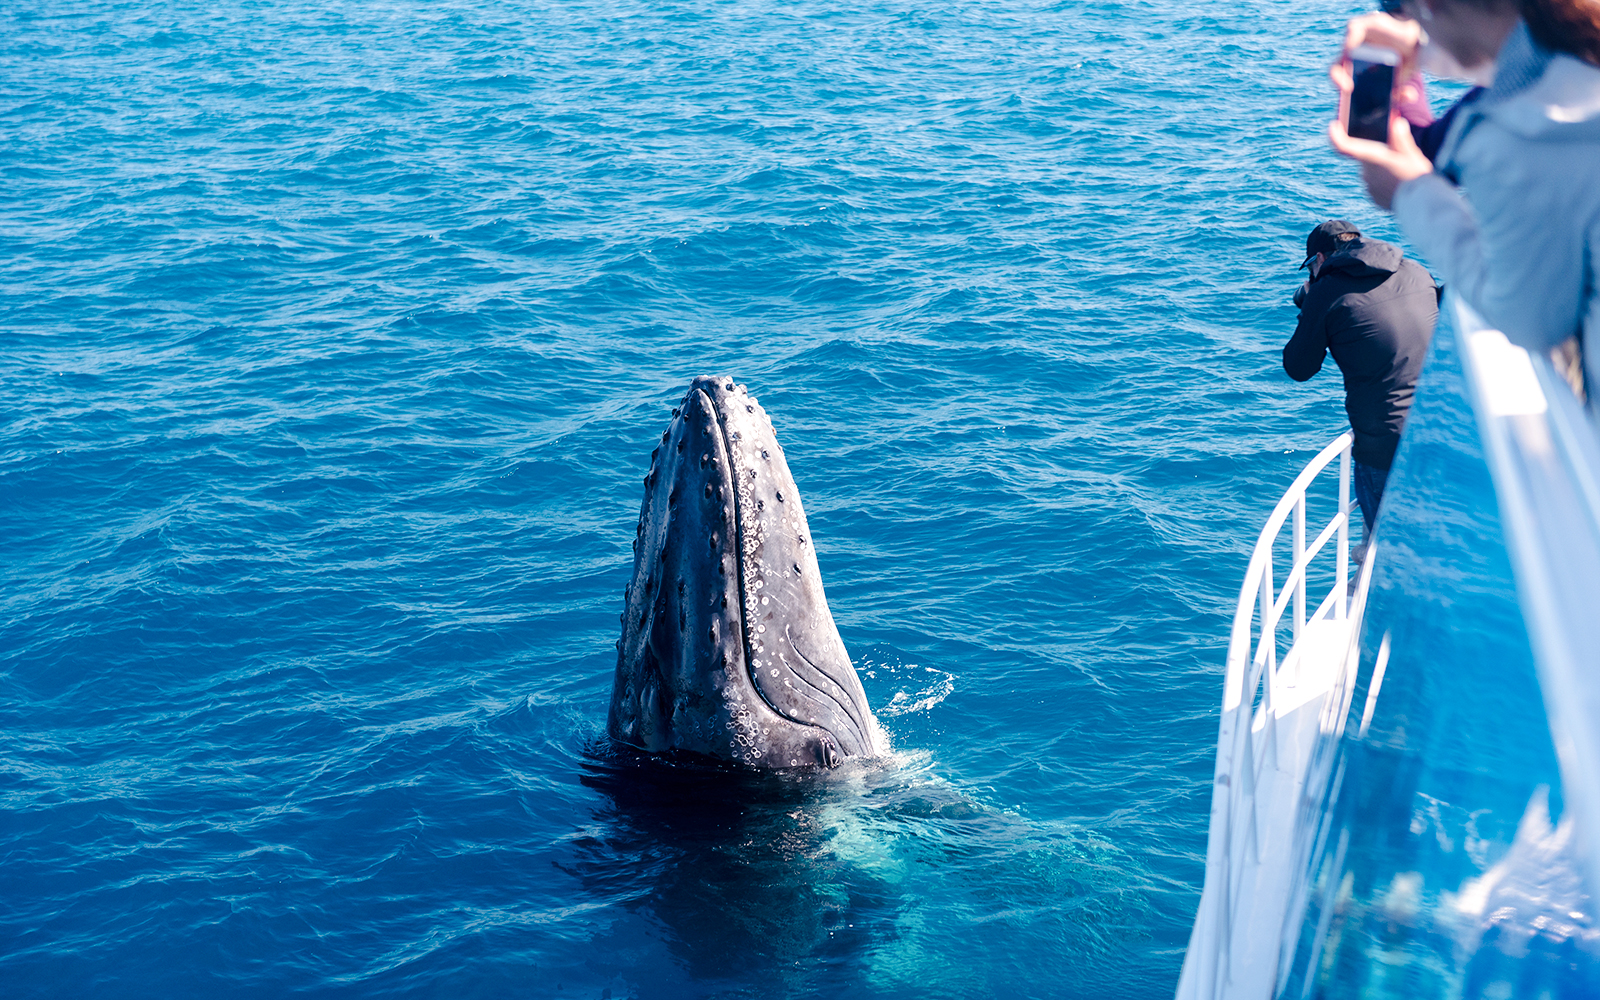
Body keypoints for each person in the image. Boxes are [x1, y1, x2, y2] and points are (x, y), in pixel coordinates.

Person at [1326, 0, 1600, 404]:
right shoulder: (1574, 55)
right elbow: (1510, 66)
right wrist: (1414, 53)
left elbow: (1529, 322)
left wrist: (1410, 195)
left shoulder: (1519, 138)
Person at [1284, 220, 1439, 534]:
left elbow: (1299, 368)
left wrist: (1311, 306)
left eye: (1311, 266)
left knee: (1390, 549)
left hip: (1384, 446)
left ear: (1321, 260)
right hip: (1442, 426)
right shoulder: (1415, 270)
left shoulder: (1327, 292)